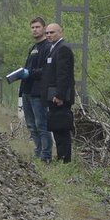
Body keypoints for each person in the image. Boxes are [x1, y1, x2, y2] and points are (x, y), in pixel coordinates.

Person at [41, 22, 76, 163]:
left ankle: (64, 160)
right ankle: (61, 158)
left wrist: (60, 95)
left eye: (52, 32)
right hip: (53, 96)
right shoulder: (54, 48)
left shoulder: (63, 49)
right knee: (56, 128)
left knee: (62, 129)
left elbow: (63, 74)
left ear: (60, 32)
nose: (49, 35)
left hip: (59, 98)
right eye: (47, 33)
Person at [19, 17, 52, 162]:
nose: (35, 30)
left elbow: (47, 70)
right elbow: (29, 68)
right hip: (27, 90)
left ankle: (46, 155)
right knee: (31, 125)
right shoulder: (33, 48)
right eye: (32, 27)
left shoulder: (47, 48)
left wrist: (29, 73)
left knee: (41, 124)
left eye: (38, 27)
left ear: (44, 29)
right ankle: (38, 151)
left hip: (38, 92)